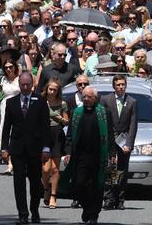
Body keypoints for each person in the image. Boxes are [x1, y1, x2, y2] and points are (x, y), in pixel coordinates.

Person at [1, 72, 51, 225]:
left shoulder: (41, 101)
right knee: (19, 182)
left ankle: (34, 211)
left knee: (35, 182)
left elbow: (45, 127)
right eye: (22, 85)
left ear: (32, 85)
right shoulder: (12, 103)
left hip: (35, 149)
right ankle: (23, 214)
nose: (24, 87)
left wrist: (46, 148)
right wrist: (4, 148)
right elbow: (6, 127)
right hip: (18, 149)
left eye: (27, 85)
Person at [63, 86, 116, 224]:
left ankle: (94, 215)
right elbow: (69, 135)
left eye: (89, 97)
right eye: (84, 97)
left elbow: (110, 135)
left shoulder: (104, 113)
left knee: (97, 187)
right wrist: (68, 151)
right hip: (80, 156)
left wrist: (112, 153)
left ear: (95, 98)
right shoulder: (76, 112)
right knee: (79, 185)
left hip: (99, 156)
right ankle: (87, 208)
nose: (86, 99)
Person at [101, 76, 137, 210]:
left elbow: (133, 125)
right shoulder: (105, 100)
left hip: (124, 141)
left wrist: (129, 143)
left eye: (123, 84)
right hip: (110, 139)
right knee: (110, 170)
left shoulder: (132, 101)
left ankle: (120, 199)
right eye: (118, 85)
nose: (121, 87)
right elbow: (103, 121)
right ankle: (109, 198)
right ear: (113, 86)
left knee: (122, 171)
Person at [41, 78, 69, 210]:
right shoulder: (41, 102)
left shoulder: (62, 103)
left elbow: (66, 121)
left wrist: (61, 119)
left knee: (55, 169)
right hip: (44, 134)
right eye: (50, 89)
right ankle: (46, 188)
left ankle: (53, 195)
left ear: (58, 92)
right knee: (45, 169)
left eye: (54, 90)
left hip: (57, 134)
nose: (52, 92)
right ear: (46, 89)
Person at [0, 59, 21, 175]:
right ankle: (10, 163)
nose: (8, 69)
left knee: (16, 134)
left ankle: (16, 162)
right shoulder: (3, 80)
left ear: (15, 67)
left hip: (18, 107)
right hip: (5, 107)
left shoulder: (20, 79)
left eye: (10, 67)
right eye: (6, 67)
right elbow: (0, 94)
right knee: (5, 132)